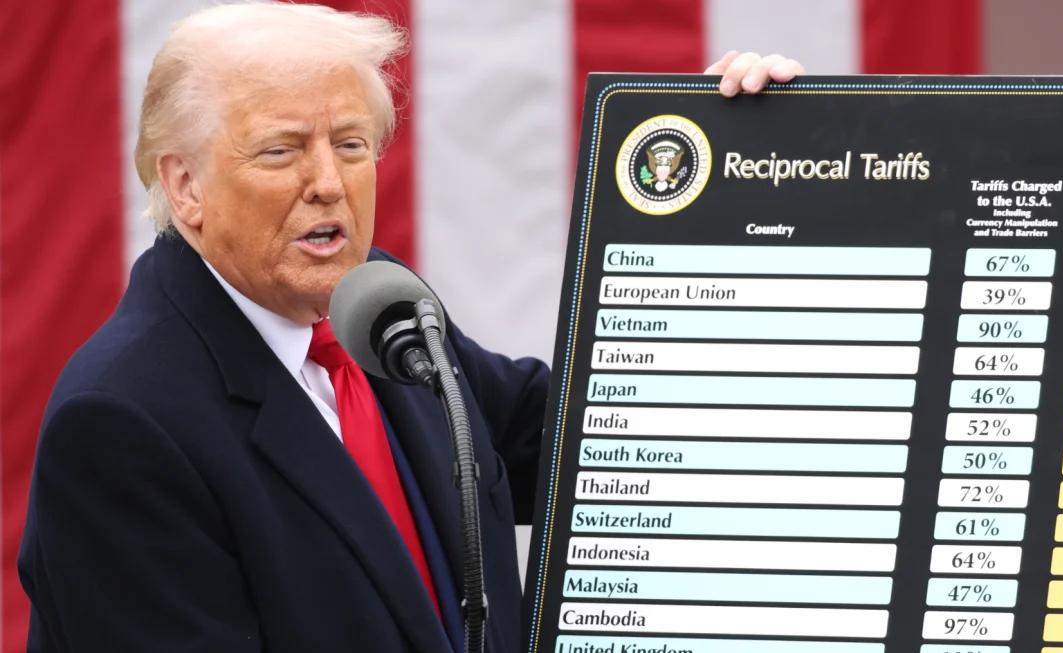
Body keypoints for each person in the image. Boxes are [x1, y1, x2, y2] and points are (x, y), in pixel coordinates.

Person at [15, 4, 804, 652]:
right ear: (184, 185)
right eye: (282, 149)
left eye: (351, 145)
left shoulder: (376, 307)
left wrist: (730, 186)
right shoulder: (119, 424)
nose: (328, 183)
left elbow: (582, 440)